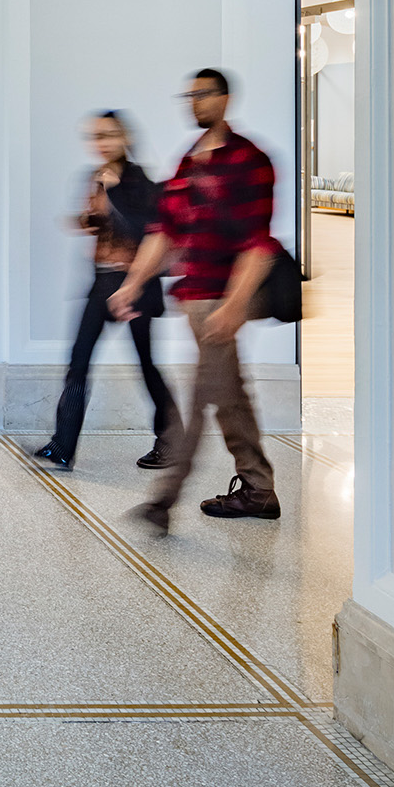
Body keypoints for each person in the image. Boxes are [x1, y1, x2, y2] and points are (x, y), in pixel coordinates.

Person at [110, 68, 281, 531]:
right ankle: (259, 489)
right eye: (189, 95)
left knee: (203, 396)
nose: (194, 102)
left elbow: (258, 243)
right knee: (229, 396)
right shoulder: (189, 162)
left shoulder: (250, 160)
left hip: (222, 300)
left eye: (203, 94)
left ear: (225, 99)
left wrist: (234, 304)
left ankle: (163, 502)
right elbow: (165, 231)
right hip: (196, 298)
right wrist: (131, 283)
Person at [33, 111, 181, 472]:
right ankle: (62, 444)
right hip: (102, 281)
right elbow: (100, 223)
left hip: (135, 284)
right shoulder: (94, 178)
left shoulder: (139, 181)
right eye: (97, 136)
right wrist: (86, 219)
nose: (102, 142)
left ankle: (172, 441)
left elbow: (147, 231)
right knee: (79, 360)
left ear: (125, 138)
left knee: (146, 364)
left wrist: (113, 191)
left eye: (110, 135)